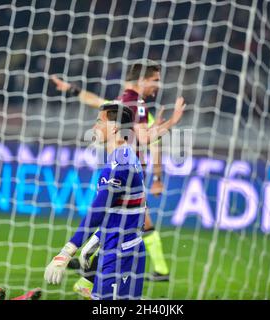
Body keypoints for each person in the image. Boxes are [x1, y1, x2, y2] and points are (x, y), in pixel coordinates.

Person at [51, 60, 184, 296]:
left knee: (128, 223)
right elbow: (149, 140)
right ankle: (96, 275)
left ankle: (91, 276)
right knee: (133, 224)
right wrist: (172, 123)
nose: (158, 85)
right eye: (155, 79)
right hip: (130, 173)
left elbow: (98, 103)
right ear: (141, 80)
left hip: (126, 171)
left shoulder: (126, 103)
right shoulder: (136, 105)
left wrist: (73, 90)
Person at [44, 102, 146, 300]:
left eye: (99, 121)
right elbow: (119, 210)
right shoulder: (123, 157)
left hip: (120, 253)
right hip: (121, 247)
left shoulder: (120, 164)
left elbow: (98, 210)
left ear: (114, 127)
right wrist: (98, 237)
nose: (94, 127)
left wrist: (67, 251)